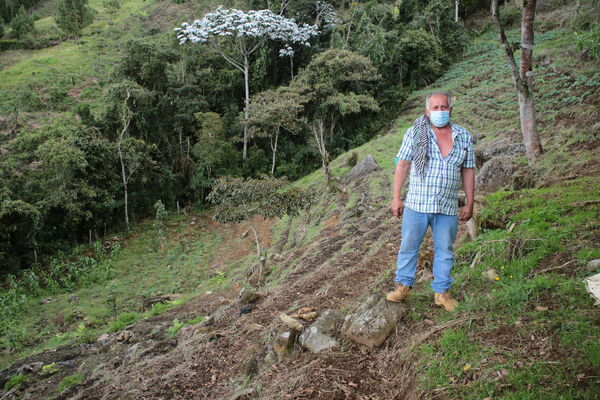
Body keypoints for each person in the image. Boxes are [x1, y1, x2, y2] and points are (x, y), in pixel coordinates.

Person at [386, 91, 475, 312]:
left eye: (444, 107)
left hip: (446, 206)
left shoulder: (463, 136)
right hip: (417, 204)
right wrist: (396, 197)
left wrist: (469, 202)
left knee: (445, 249)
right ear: (427, 111)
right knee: (408, 246)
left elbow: (468, 170)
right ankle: (404, 286)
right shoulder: (415, 134)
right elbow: (403, 165)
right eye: (435, 108)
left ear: (450, 110)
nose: (440, 112)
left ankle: (442, 293)